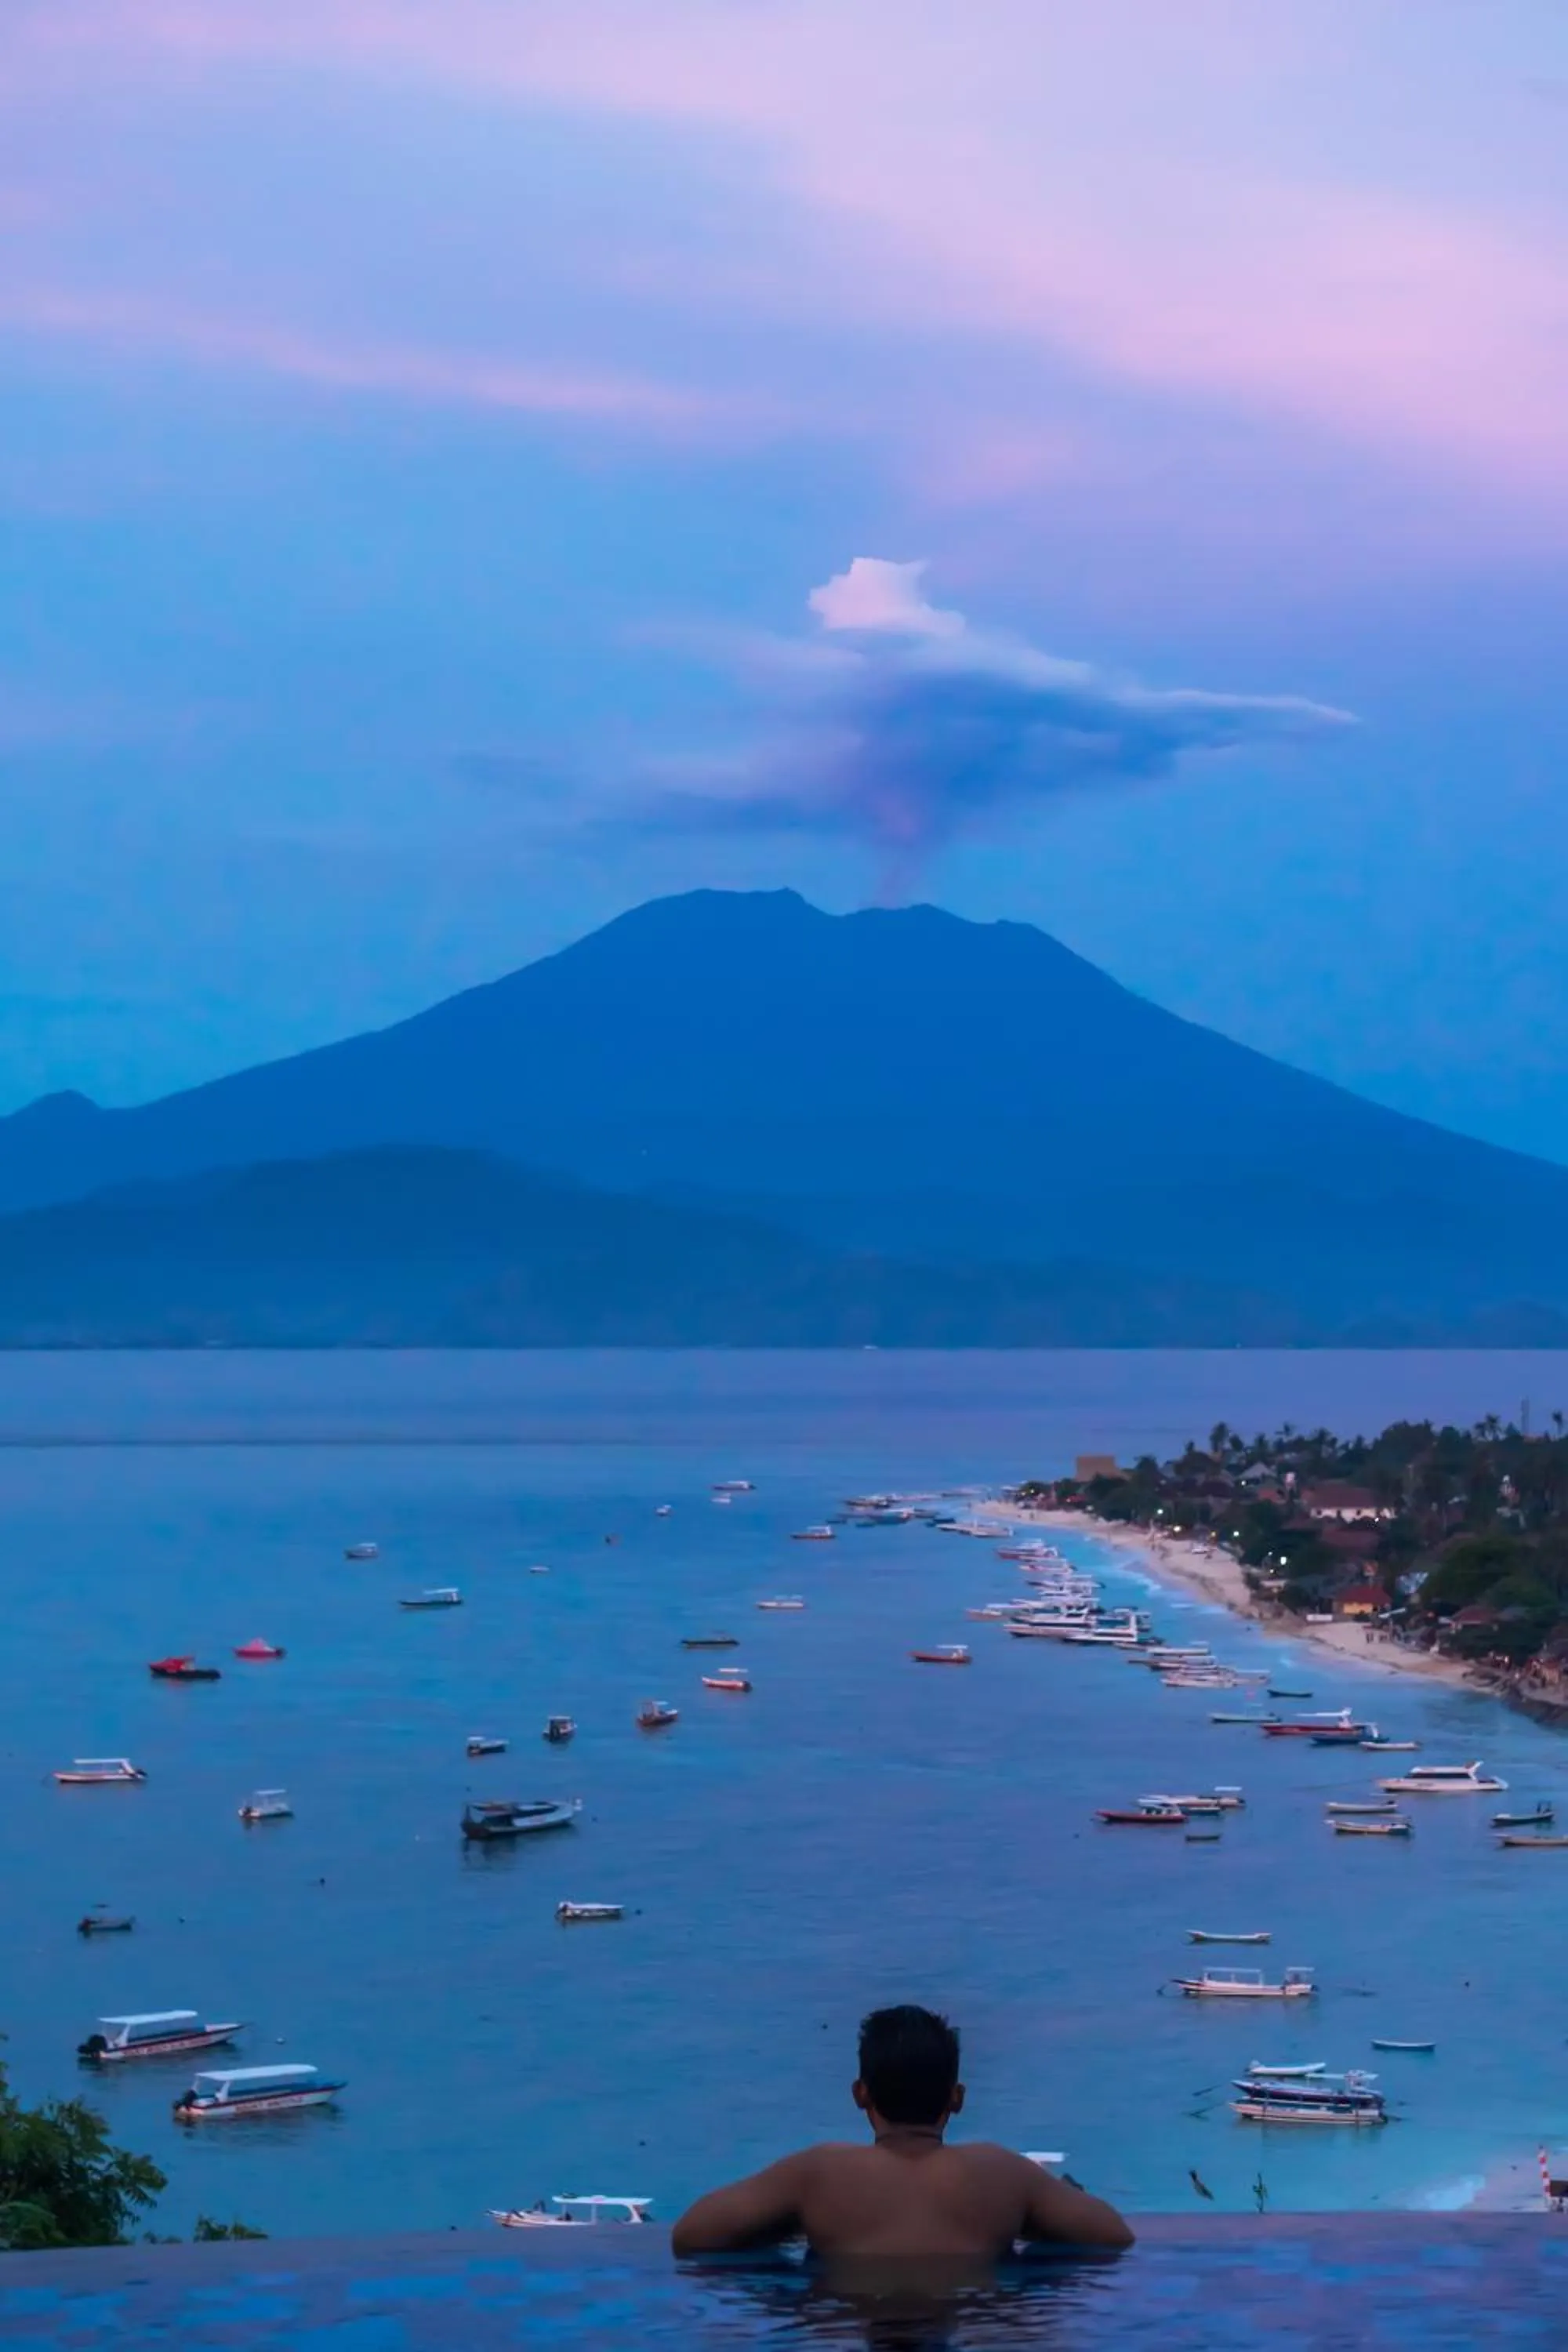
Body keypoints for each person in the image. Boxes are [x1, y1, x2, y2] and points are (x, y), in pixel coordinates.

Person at [670, 2005, 1133, 2259]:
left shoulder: (819, 2174)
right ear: (957, 2098)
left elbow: (692, 2235)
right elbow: (1113, 2236)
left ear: (860, 2094)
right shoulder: (1002, 2173)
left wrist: (792, 2221)